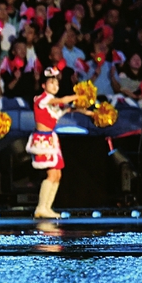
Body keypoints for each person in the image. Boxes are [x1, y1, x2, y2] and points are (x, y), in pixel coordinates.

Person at [28, 66, 85, 219]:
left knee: (57, 174)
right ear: (43, 85)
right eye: (51, 83)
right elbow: (62, 100)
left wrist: (91, 112)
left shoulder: (52, 105)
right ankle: (41, 207)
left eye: (57, 84)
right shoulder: (41, 99)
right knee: (52, 174)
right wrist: (78, 95)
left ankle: (47, 207)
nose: (55, 86)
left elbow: (69, 108)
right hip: (42, 140)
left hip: (51, 140)